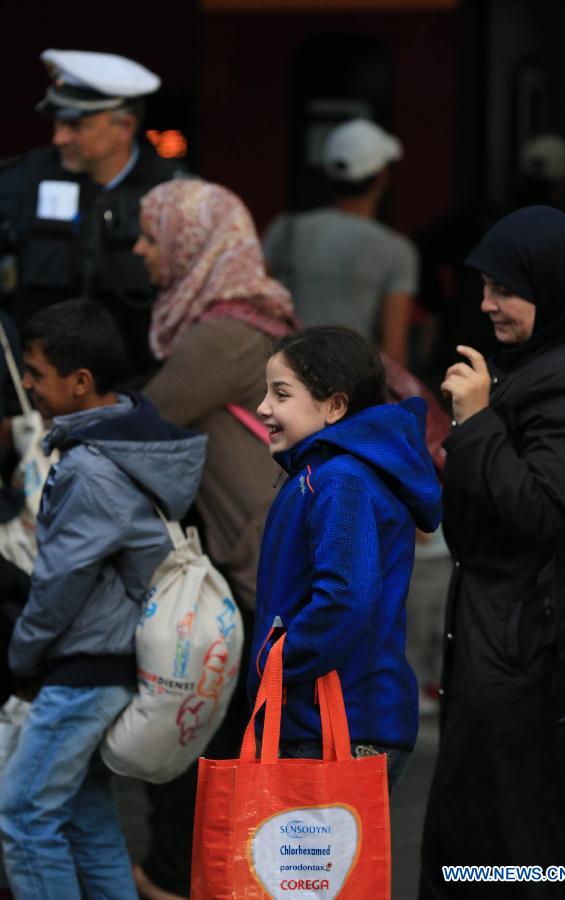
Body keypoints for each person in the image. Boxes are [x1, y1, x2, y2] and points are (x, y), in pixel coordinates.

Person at [419, 206, 565, 898]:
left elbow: (541, 506)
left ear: (551, 287)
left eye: (505, 290)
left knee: (517, 838)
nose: (487, 304)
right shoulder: (550, 361)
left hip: (533, 653)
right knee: (500, 834)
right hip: (521, 640)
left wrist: (478, 421)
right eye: (486, 286)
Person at [0, 298, 205, 900]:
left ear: (80, 382)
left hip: (86, 665)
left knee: (24, 817)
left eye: (35, 374)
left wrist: (22, 653)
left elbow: (61, 579)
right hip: (107, 657)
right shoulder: (120, 446)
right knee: (86, 821)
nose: (28, 387)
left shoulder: (92, 469)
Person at [132, 177, 295, 900]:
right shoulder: (252, 320)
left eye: (151, 235)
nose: (140, 251)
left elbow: (144, 423)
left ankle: (182, 875)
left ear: (193, 243)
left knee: (207, 738)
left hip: (256, 569)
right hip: (263, 562)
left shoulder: (224, 333)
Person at [249, 326, 442, 789]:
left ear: (334, 406)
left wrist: (277, 663)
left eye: (281, 393)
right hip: (336, 718)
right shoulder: (329, 471)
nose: (263, 408)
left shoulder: (339, 478)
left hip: (334, 723)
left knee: (312, 864)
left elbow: (346, 596)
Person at [0, 49, 185, 376]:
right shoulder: (22, 180)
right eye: (57, 123)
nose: (59, 138)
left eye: (75, 125)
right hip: (34, 389)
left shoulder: (171, 190)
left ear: (124, 126)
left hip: (138, 391)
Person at [262, 119, 419, 366]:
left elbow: (254, 307)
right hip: (351, 385)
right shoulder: (397, 250)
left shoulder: (287, 228)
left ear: (327, 172)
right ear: (382, 176)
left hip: (285, 378)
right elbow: (394, 352)